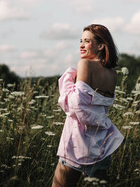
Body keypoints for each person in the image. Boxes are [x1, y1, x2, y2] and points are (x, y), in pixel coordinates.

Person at [52, 24, 124, 187]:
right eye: (80, 41)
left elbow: (75, 105)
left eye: (87, 41)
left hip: (77, 142)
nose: (81, 45)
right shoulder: (113, 74)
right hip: (101, 143)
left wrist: (68, 79)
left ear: (101, 46)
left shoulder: (85, 64)